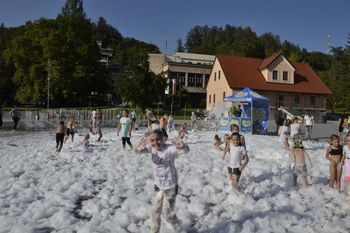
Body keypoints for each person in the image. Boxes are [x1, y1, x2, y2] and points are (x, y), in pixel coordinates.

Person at [135, 129, 189, 233]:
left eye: (158, 140)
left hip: (171, 187)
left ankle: (179, 229)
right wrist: (137, 149)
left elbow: (185, 151)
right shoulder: (151, 147)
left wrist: (183, 146)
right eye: (153, 140)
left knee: (167, 214)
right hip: (158, 186)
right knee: (154, 212)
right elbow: (138, 152)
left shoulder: (170, 149)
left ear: (163, 140)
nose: (155, 142)